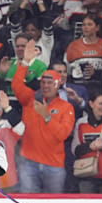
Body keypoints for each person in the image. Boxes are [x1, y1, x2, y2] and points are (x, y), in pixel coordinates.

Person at [11, 41, 75, 194]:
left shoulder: (66, 107)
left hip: (54, 165)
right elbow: (16, 85)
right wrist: (25, 62)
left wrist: (47, 117)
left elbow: (63, 134)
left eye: (50, 83)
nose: (46, 86)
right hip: (28, 163)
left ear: (58, 84)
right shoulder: (30, 99)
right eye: (43, 82)